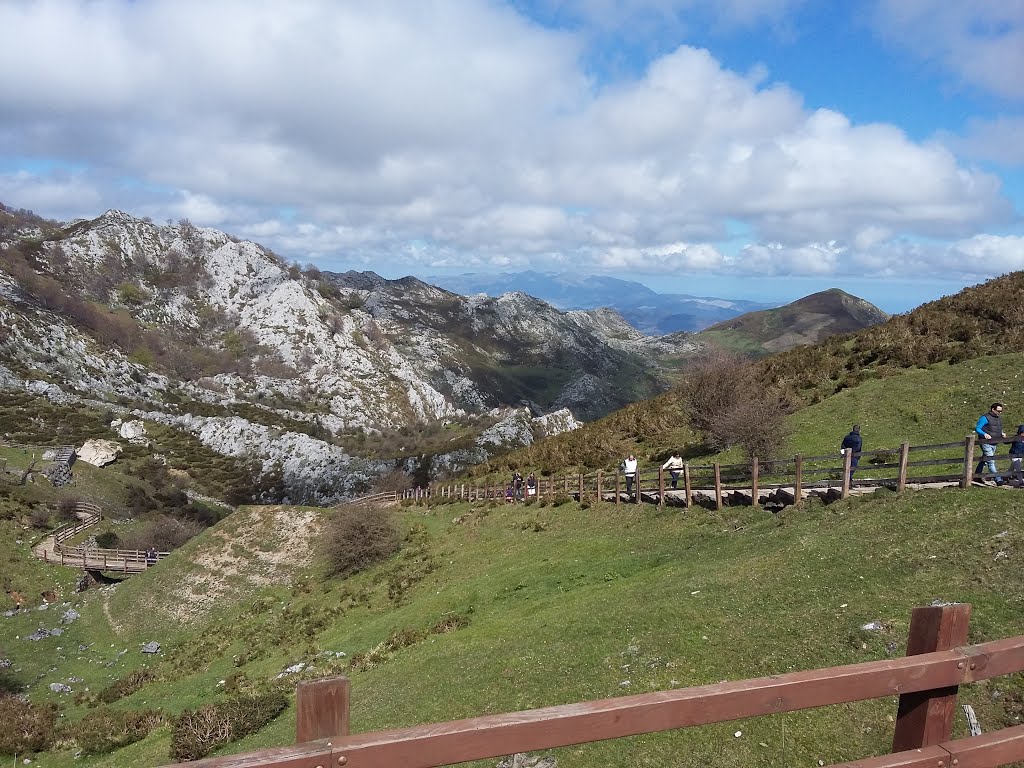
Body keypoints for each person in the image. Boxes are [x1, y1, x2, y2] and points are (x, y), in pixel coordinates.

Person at [975, 402, 1006, 485]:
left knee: (985, 460)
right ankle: (998, 479)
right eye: (998, 411)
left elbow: (996, 428)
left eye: (1001, 411)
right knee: (991, 462)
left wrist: (1001, 433)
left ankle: (976, 475)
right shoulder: (985, 418)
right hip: (986, 443)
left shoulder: (998, 418)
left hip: (994, 442)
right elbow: (978, 428)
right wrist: (984, 434)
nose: (1000, 413)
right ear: (993, 409)